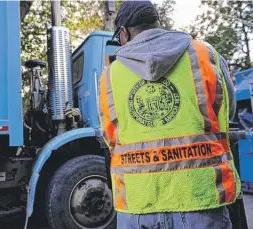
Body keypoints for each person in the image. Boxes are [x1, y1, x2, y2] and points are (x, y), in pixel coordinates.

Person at [98, 1, 241, 229]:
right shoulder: (204, 54)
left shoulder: (110, 75)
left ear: (123, 33)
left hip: (138, 205)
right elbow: (227, 112)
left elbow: (110, 136)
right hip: (201, 197)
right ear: (157, 23)